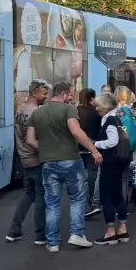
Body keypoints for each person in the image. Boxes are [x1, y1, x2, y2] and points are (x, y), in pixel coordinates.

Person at [26, 81, 102, 252]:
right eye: (71, 95)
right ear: (63, 94)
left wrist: (46, 150)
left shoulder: (37, 113)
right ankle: (77, 234)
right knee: (77, 198)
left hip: (47, 163)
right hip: (70, 160)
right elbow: (75, 131)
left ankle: (52, 242)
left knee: (52, 202)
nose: (72, 98)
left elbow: (30, 139)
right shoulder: (69, 109)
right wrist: (94, 151)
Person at [5, 80, 49, 244]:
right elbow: (33, 139)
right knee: (40, 196)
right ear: (35, 93)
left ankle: (14, 229)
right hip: (36, 159)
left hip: (24, 158)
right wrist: (47, 151)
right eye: (44, 94)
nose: (46, 97)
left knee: (28, 194)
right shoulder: (36, 113)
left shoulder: (20, 110)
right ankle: (40, 234)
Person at [91, 93, 130, 245]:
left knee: (106, 196)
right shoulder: (116, 119)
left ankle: (110, 232)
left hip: (110, 162)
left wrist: (95, 144)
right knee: (117, 195)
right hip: (118, 163)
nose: (96, 108)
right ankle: (123, 229)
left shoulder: (110, 120)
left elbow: (113, 141)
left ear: (106, 106)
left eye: (98, 105)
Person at [77, 88, 102, 219]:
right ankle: (93, 200)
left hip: (78, 146)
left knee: (80, 176)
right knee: (92, 174)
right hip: (93, 145)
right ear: (92, 98)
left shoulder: (75, 111)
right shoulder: (96, 112)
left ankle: (82, 202)